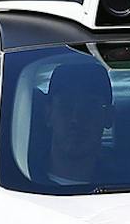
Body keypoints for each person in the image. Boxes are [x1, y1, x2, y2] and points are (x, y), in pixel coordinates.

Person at [33, 59, 111, 187]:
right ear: (48, 114)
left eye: (89, 107)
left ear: (108, 116)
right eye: (65, 106)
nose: (76, 118)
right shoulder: (11, 180)